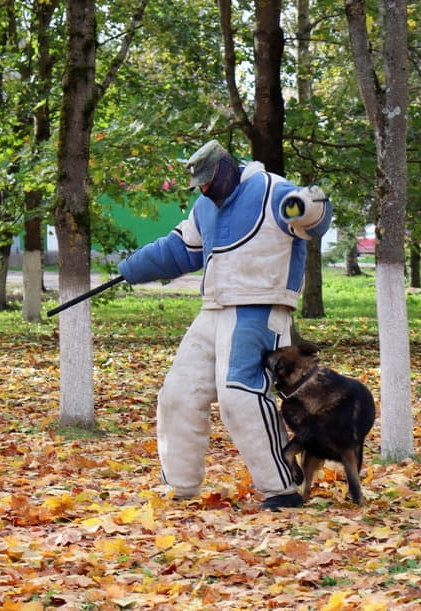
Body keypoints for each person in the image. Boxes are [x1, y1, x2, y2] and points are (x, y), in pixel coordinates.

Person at [117, 140, 332, 510]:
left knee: (241, 396)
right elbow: (181, 250)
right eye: (197, 183)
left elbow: (312, 217)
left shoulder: (274, 192)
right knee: (178, 395)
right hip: (213, 309)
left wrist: (309, 206)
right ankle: (179, 486)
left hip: (258, 309)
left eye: (207, 180)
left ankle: (282, 487)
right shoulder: (205, 207)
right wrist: (131, 268)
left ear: (227, 169)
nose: (203, 189)